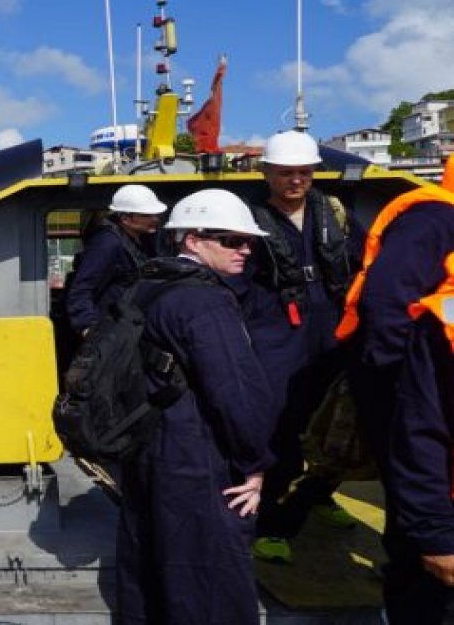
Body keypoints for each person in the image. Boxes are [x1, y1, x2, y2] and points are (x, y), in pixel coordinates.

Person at [116, 188, 277, 625]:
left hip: (144, 447)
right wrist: (255, 463)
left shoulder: (144, 287)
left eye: (249, 241)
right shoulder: (206, 301)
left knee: (147, 572)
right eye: (231, 240)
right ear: (191, 239)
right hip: (195, 455)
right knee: (209, 583)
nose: (245, 250)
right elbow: (236, 391)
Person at [337, 166, 454, 623]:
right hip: (415, 379)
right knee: (419, 498)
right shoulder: (434, 218)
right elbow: (385, 298)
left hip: (428, 375)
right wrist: (404, 377)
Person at [243, 130, 360, 563]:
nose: (296, 180)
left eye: (303, 172)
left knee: (335, 419)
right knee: (281, 425)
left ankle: (319, 495)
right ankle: (271, 521)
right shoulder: (250, 220)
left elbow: (364, 261)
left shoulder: (333, 212)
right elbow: (237, 280)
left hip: (331, 327)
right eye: (286, 172)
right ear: (268, 173)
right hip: (277, 331)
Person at [66, 184, 166, 335]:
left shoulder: (141, 240)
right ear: (125, 218)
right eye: (146, 215)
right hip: (113, 327)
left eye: (155, 214)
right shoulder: (107, 243)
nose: (155, 219)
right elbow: (82, 288)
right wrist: (88, 327)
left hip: (131, 323)